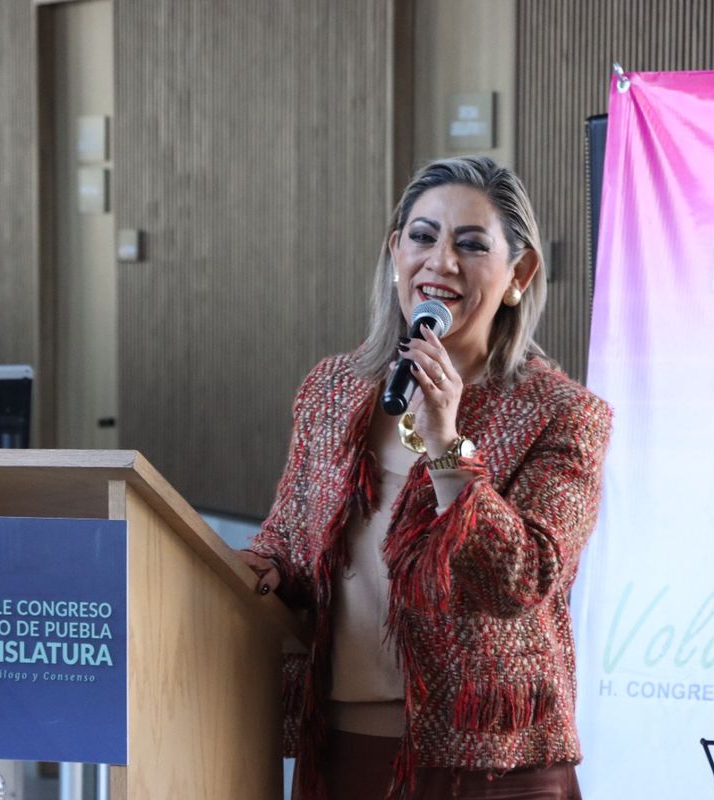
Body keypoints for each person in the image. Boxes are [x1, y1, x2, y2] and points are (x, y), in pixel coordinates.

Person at [238, 155, 612, 800]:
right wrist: (265, 566)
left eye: (471, 244)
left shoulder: (562, 413)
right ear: (396, 254)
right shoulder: (333, 390)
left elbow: (524, 580)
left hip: (490, 768)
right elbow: (289, 541)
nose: (442, 261)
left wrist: (447, 445)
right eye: (423, 236)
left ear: (519, 275)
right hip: (342, 754)